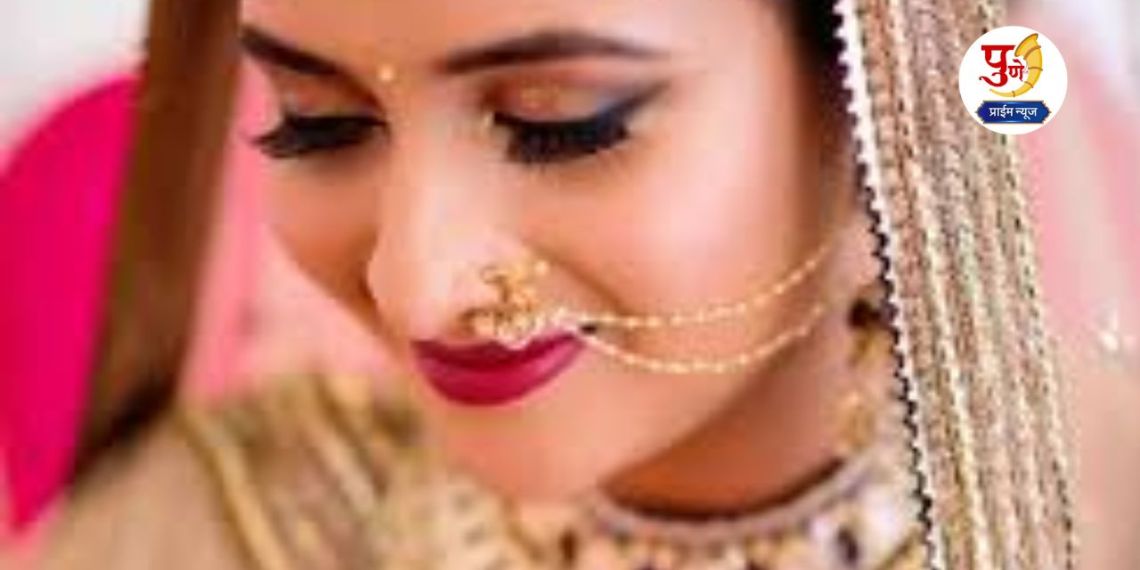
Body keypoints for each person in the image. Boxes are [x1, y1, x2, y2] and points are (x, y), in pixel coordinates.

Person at [30, 0, 1105, 568]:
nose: (415, 286)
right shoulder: (214, 529)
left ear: (894, 103)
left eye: (560, 124)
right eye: (319, 123)